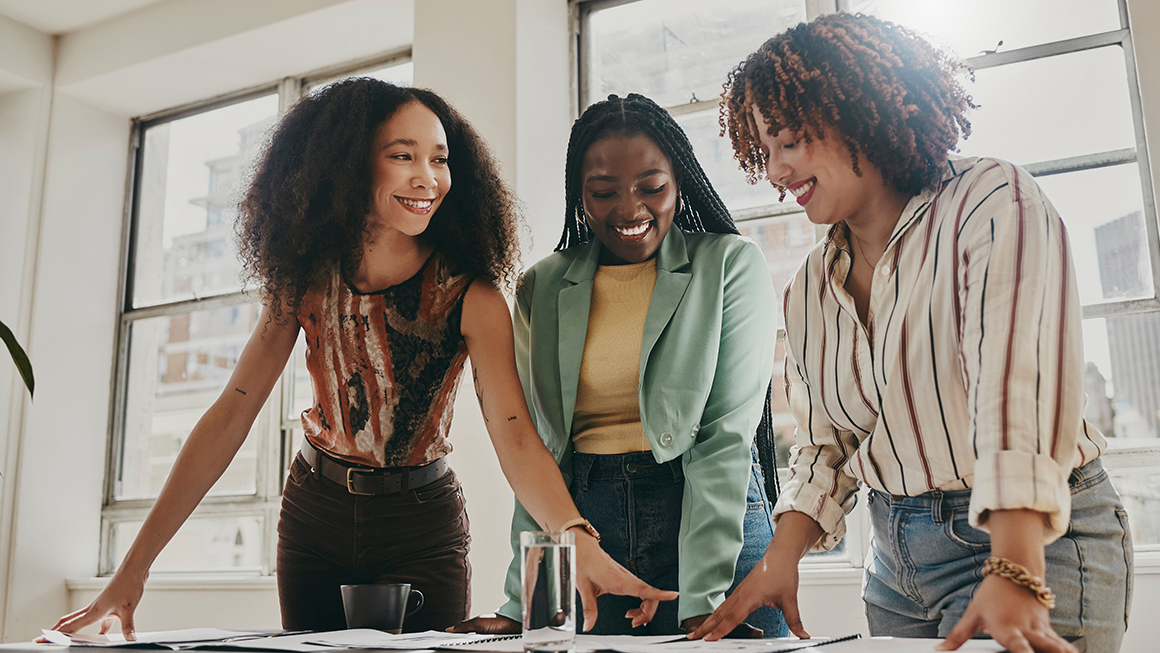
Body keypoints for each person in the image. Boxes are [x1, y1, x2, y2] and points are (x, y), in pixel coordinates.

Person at [48, 79, 674, 637]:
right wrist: (131, 575)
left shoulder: (473, 295)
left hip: (422, 524)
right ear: (347, 167)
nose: (427, 177)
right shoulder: (304, 283)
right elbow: (230, 416)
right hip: (315, 514)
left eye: (440, 158)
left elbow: (513, 433)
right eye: (402, 156)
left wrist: (575, 538)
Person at [690, 13, 1133, 653]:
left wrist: (1014, 567)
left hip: (1037, 539)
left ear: (855, 111)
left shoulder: (991, 201)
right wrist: (777, 559)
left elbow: (1018, 396)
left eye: (788, 142)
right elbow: (827, 447)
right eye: (765, 150)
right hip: (895, 562)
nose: (776, 172)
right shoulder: (810, 286)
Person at [455, 93, 789, 637]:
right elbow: (541, 449)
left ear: (679, 183)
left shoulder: (729, 264)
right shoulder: (543, 285)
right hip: (589, 530)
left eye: (651, 188)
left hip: (710, 520)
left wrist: (702, 597)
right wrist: (525, 601)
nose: (630, 210)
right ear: (579, 197)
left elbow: (724, 437)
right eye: (603, 192)